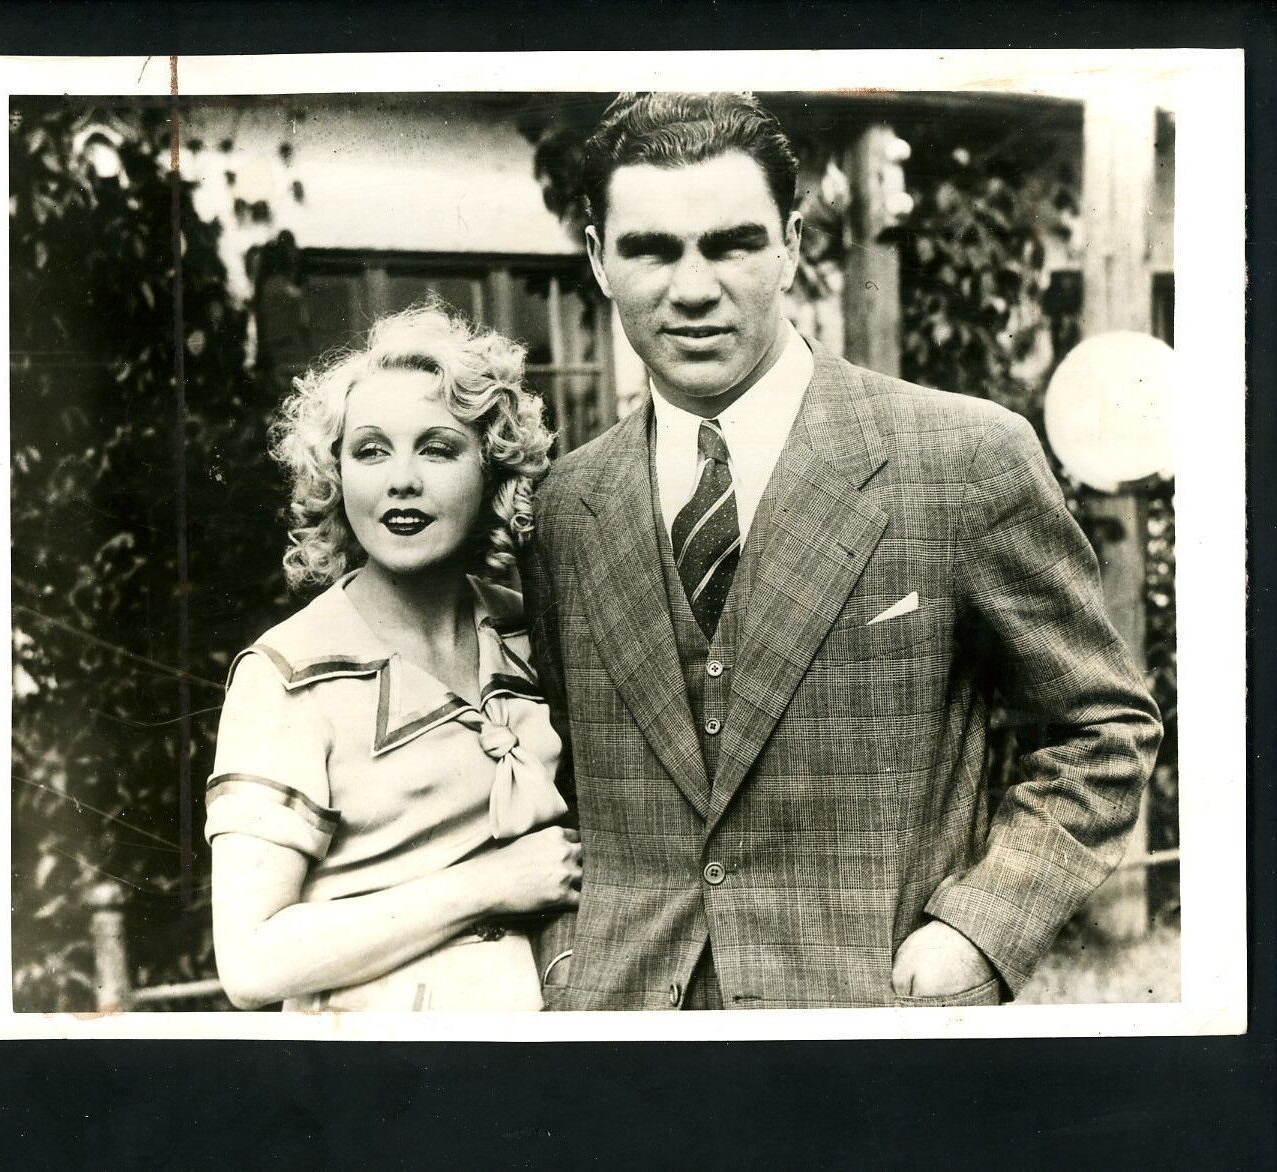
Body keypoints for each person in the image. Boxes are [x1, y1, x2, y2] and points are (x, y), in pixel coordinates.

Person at [522, 92, 1162, 1010]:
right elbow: (550, 778)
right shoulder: (563, 509)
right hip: (629, 1049)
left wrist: (979, 929)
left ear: (788, 242)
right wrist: (563, 960)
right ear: (597, 259)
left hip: (873, 1028)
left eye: (732, 243)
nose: (694, 287)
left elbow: (1102, 729)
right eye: (652, 249)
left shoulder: (963, 459)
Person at [206, 303, 581, 1012]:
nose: (400, 480)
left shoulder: (529, 629)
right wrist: (493, 884)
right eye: (370, 450)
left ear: (491, 466)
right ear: (336, 473)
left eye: (437, 449)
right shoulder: (286, 676)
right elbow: (251, 961)